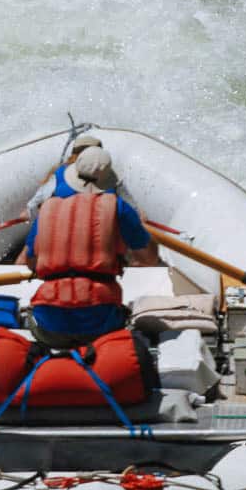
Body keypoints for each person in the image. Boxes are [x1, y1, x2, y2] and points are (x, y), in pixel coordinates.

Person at [24, 147, 158, 347]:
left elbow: (30, 261)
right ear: (109, 182)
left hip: (49, 327)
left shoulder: (47, 209)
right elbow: (149, 259)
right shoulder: (119, 208)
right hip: (100, 326)